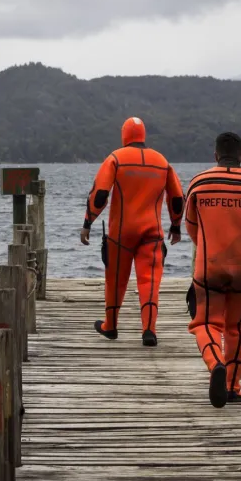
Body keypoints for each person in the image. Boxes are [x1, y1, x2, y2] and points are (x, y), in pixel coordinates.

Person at [184, 131, 241, 407]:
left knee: (204, 323)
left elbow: (191, 226)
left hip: (208, 266)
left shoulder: (199, 183)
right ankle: (233, 386)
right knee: (240, 328)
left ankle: (215, 365)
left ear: (215, 156)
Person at [80, 117, 184, 346]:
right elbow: (177, 197)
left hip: (121, 233)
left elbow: (100, 194)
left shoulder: (116, 158)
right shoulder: (162, 161)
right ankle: (149, 330)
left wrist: (88, 222)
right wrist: (176, 226)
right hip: (152, 233)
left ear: (124, 134)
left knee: (115, 279)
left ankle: (111, 326)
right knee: (149, 280)